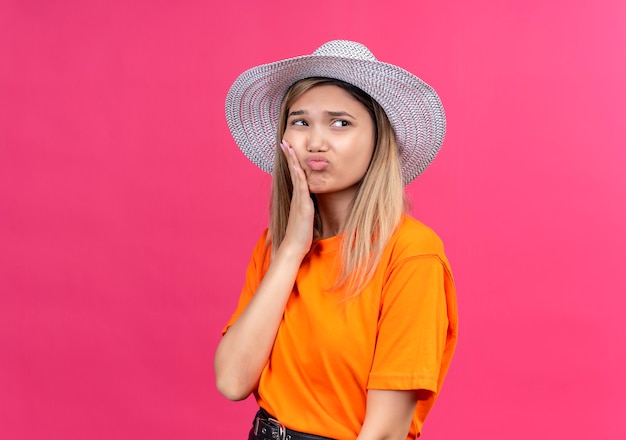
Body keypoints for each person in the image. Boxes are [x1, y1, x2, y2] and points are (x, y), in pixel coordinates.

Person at [214, 40, 458, 440]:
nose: (315, 142)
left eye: (340, 122)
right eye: (300, 121)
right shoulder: (278, 246)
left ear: (380, 141)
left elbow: (385, 433)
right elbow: (232, 380)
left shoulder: (412, 254)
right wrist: (291, 250)